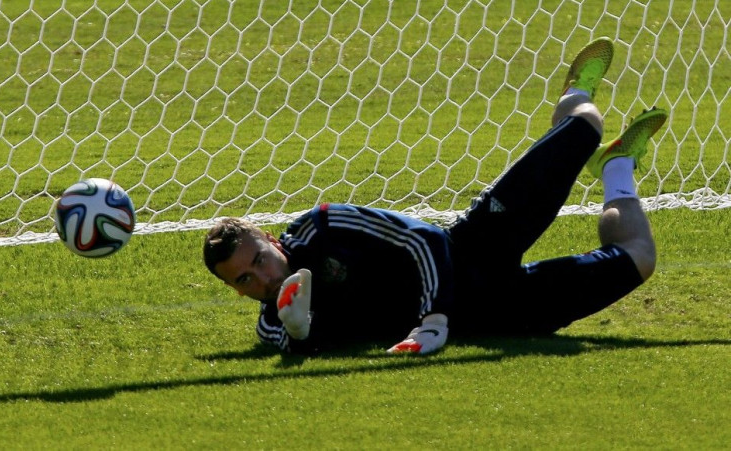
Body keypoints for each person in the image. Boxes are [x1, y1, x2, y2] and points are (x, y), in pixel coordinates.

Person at [203, 37, 667, 355]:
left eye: (258, 260)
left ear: (270, 239)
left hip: (475, 247)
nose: (260, 280)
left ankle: (577, 91)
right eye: (243, 280)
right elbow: (291, 341)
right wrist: (298, 330)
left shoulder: (323, 225)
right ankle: (617, 167)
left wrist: (432, 322)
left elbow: (426, 239)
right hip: (498, 315)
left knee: (583, 127)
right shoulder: (273, 325)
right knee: (639, 257)